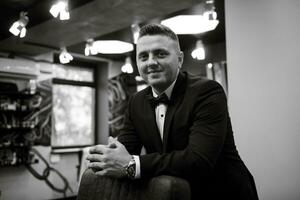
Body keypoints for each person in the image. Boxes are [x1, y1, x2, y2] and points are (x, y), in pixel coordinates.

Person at [86, 24, 259, 200]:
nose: (151, 62)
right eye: (143, 56)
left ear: (180, 59)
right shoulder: (136, 102)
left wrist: (133, 165)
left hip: (224, 192)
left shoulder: (207, 92)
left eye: (160, 54)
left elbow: (198, 160)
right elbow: (124, 151)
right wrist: (107, 157)